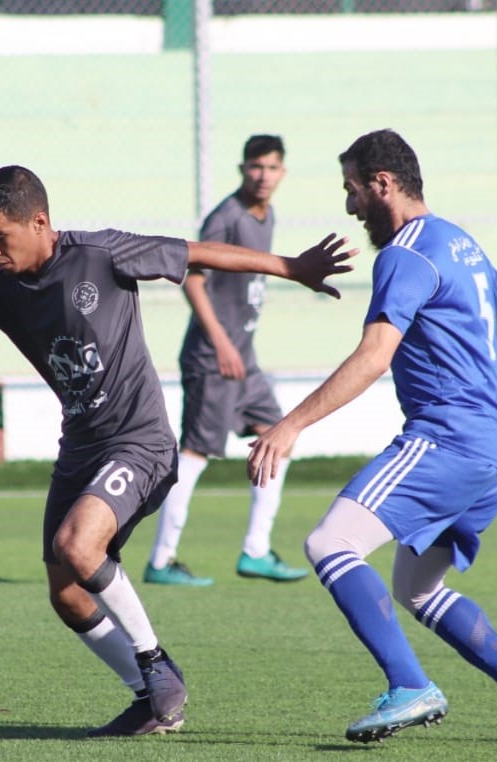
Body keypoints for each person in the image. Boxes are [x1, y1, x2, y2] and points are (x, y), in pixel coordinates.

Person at [0, 165, 354, 738]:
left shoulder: (100, 254)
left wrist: (292, 267)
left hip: (139, 441)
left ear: (39, 222)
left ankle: (158, 666)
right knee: (66, 593)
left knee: (78, 544)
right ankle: (151, 700)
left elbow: (198, 254)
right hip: (81, 451)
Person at [246, 129, 497, 744]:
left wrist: (289, 426)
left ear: (382, 184)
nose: (350, 207)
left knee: (330, 543)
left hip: (445, 439)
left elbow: (374, 356)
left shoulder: (405, 254)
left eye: (352, 190)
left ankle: (409, 684)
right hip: (488, 455)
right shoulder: (462, 246)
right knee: (417, 588)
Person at [143, 134, 308, 587]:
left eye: (271, 167)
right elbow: (193, 279)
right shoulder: (226, 217)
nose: (263, 176)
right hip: (214, 358)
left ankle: (256, 550)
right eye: (256, 167)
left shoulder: (267, 214)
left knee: (279, 438)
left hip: (244, 360)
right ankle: (161, 560)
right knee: (196, 453)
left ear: (282, 172)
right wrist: (221, 343)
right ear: (242, 169)